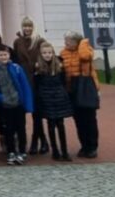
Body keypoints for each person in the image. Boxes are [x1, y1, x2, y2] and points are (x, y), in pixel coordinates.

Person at [0, 45, 33, 165]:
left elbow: (24, 85)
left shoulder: (17, 68)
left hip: (18, 103)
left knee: (21, 128)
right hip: (5, 104)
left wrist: (27, 103)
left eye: (5, 54)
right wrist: (0, 98)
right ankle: (11, 151)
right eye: (1, 55)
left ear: (9, 55)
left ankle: (22, 151)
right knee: (9, 129)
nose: (3, 57)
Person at [12, 17, 49, 155]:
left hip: (37, 79)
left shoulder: (39, 41)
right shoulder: (18, 42)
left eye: (29, 26)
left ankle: (38, 141)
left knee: (37, 113)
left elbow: (46, 56)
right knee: (24, 111)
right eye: (25, 26)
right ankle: (37, 141)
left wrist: (40, 66)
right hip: (23, 79)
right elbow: (15, 59)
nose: (27, 29)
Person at [61, 31, 100, 159]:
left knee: (90, 119)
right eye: (65, 40)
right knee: (78, 120)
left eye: (69, 40)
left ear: (76, 42)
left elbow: (85, 57)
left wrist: (83, 43)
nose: (66, 43)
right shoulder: (63, 53)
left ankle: (92, 146)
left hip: (85, 85)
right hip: (72, 88)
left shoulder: (85, 50)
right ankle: (84, 145)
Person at [35, 41, 74, 162]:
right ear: (41, 54)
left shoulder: (59, 65)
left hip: (58, 97)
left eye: (49, 52)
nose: (47, 55)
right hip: (46, 98)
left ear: (53, 53)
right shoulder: (38, 67)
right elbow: (37, 84)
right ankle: (55, 150)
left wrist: (63, 94)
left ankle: (64, 151)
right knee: (51, 125)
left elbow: (63, 81)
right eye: (44, 53)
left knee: (61, 125)